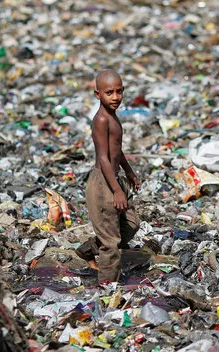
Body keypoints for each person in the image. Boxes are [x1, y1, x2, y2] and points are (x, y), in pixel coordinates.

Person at [76, 69, 141, 283]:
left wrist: (129, 172)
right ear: (97, 95)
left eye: (119, 91)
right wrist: (116, 191)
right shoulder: (101, 120)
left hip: (115, 177)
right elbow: (103, 157)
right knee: (111, 244)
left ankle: (88, 249)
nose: (115, 97)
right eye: (109, 93)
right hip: (103, 182)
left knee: (130, 224)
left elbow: (116, 150)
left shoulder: (113, 116)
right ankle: (107, 289)